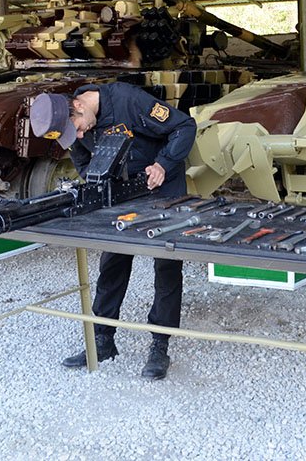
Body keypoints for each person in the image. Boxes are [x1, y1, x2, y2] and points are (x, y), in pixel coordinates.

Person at [29, 82, 196, 380]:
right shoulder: (72, 124)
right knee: (112, 261)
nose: (79, 135)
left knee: (166, 264)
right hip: (121, 191)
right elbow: (80, 156)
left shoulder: (129, 100)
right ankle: (103, 341)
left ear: (78, 105)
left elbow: (184, 126)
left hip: (161, 184)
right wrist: (96, 186)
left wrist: (163, 164)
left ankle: (160, 345)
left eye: (77, 128)